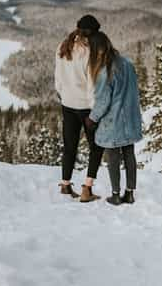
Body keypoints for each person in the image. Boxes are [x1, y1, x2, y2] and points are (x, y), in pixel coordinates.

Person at [85, 31, 143, 206]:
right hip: (130, 118)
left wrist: (92, 119)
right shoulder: (127, 64)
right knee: (129, 154)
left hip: (113, 121)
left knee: (113, 158)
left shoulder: (105, 71)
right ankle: (130, 193)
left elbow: (103, 101)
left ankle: (116, 194)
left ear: (98, 50)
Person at [54, 15, 104, 203]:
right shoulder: (89, 52)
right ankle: (87, 189)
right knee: (96, 147)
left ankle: (66, 185)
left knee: (69, 146)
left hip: (67, 104)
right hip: (85, 106)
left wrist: (63, 95)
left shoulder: (63, 46)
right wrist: (94, 110)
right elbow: (92, 84)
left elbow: (58, 78)